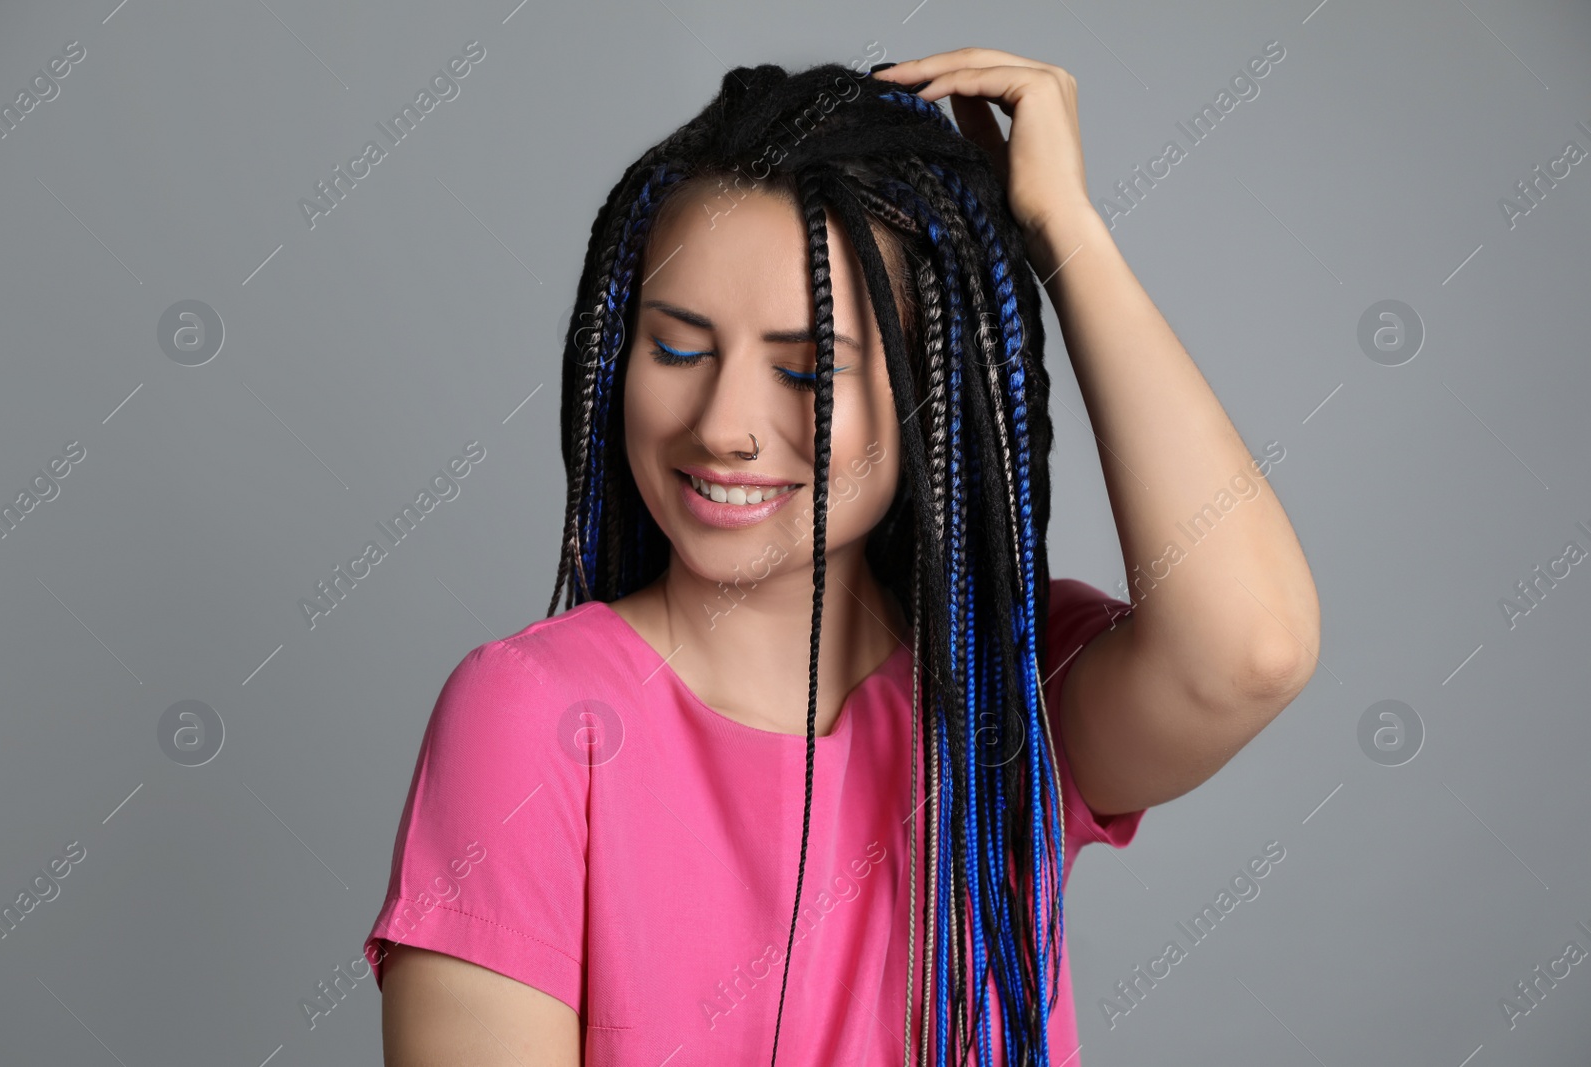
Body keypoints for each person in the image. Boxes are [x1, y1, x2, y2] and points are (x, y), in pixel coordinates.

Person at [364, 47, 1319, 1067]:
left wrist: (1062, 232)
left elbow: (1249, 649)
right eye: (678, 349)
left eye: (807, 368)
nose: (724, 423)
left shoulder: (1000, 699)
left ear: (925, 395)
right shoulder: (532, 715)